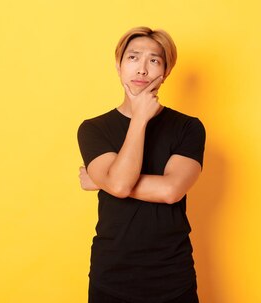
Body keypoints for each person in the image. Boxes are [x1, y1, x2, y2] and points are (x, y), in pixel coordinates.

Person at [77, 26, 205, 303]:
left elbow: (171, 191)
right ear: (119, 65)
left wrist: (103, 180)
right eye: (133, 58)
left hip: (172, 275)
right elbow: (120, 185)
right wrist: (139, 118)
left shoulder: (188, 128)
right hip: (111, 276)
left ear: (166, 71)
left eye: (154, 60)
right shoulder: (93, 129)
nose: (142, 70)